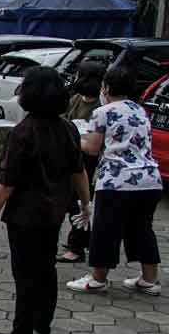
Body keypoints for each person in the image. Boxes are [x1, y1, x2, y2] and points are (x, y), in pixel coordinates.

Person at [0, 67, 91, 334]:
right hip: (54, 212)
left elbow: (7, 180)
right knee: (46, 271)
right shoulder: (67, 128)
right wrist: (86, 203)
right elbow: (78, 170)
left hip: (26, 216)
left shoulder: (24, 132)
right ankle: (43, 328)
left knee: (26, 276)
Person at [66, 66, 163, 295]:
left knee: (106, 229)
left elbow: (91, 148)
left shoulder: (103, 111)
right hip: (149, 180)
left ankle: (98, 279)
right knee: (142, 229)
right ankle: (149, 280)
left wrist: (72, 138)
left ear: (106, 87)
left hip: (117, 181)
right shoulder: (140, 111)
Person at [58, 60, 105, 264]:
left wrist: (77, 138)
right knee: (70, 201)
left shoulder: (102, 106)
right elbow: (62, 121)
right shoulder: (76, 99)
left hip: (91, 163)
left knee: (80, 202)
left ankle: (77, 246)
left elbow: (95, 145)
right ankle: (80, 240)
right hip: (71, 157)